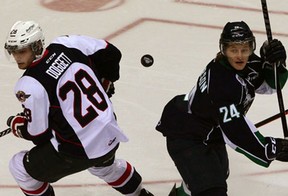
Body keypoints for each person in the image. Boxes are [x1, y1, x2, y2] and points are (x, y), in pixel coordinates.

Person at [4, 20, 154, 196]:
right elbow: (111, 53)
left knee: (18, 166)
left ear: (37, 46)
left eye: (21, 51)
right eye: (13, 52)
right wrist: (106, 80)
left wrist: (20, 126)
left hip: (77, 151)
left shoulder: (29, 84)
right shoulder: (67, 43)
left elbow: (39, 135)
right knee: (103, 167)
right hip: (110, 132)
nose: (17, 57)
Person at [155, 21, 288, 196]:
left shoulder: (250, 64)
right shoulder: (221, 82)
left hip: (211, 131)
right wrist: (273, 147)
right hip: (187, 136)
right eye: (233, 50)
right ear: (224, 50)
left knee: (211, 178)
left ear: (251, 47)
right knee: (212, 190)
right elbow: (236, 133)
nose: (239, 56)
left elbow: (270, 86)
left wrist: (275, 64)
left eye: (245, 49)